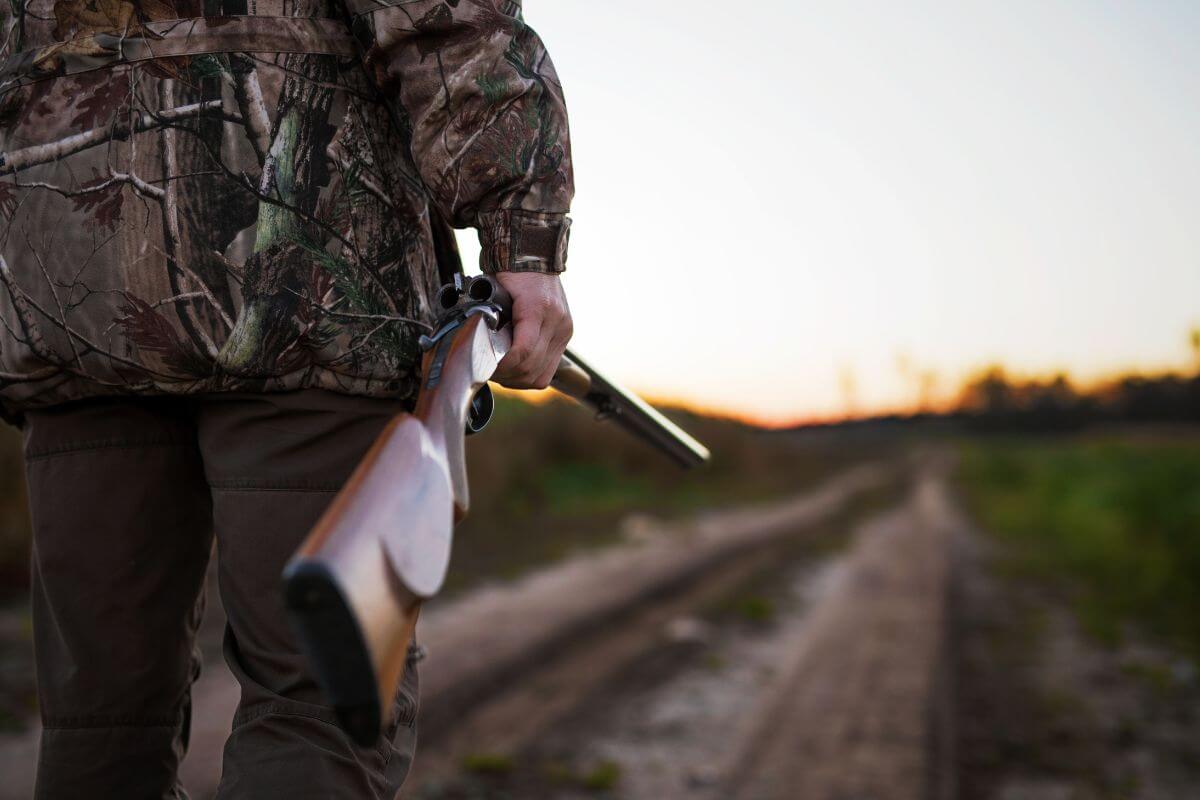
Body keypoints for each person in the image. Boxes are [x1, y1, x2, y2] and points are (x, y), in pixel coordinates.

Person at [0, 0, 573, 796]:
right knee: (319, 700)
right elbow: (441, 17)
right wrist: (524, 232)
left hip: (66, 297)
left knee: (99, 722)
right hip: (306, 296)